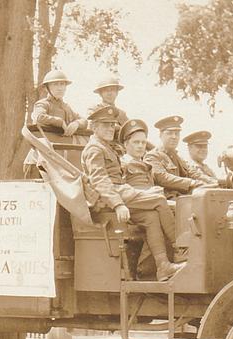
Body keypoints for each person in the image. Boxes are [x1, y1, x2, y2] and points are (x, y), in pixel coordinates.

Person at [81, 106, 184, 281]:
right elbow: (100, 180)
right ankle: (181, 249)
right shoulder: (94, 149)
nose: (110, 128)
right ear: (94, 127)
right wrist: (118, 204)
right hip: (111, 196)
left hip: (120, 191)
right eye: (105, 125)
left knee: (150, 217)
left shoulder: (105, 147)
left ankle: (163, 266)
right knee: (159, 200)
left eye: (112, 125)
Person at [143, 116, 206, 196]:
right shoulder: (152, 156)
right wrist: (191, 182)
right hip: (166, 200)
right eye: (169, 133)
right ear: (160, 135)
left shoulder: (176, 157)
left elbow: (193, 173)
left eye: (177, 134)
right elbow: (163, 178)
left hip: (182, 199)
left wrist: (213, 181)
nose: (174, 137)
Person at [31, 70, 87, 137]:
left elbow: (84, 121)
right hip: (45, 143)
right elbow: (39, 117)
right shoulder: (43, 104)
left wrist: (77, 123)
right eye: (55, 84)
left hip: (64, 144)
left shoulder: (66, 107)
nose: (60, 88)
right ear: (47, 88)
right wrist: (60, 122)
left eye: (62, 84)